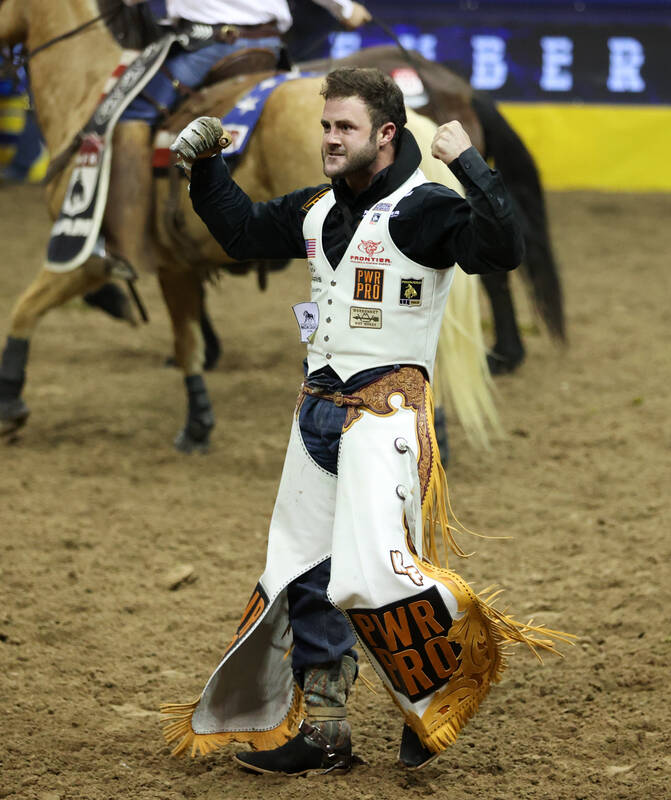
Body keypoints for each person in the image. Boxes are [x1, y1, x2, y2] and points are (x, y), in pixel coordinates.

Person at [162, 67, 566, 775]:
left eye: (343, 127)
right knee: (304, 572)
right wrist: (204, 168)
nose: (329, 139)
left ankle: (444, 692)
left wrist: (469, 161)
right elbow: (243, 231)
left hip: (386, 420)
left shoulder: (425, 210)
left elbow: (505, 249)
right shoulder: (320, 209)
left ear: (385, 135)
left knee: (376, 576)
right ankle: (324, 731)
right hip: (316, 413)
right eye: (325, 126)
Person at [112, 0, 371, 271]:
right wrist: (346, 9)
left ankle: (126, 248)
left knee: (134, 112)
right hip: (269, 48)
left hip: (204, 46)